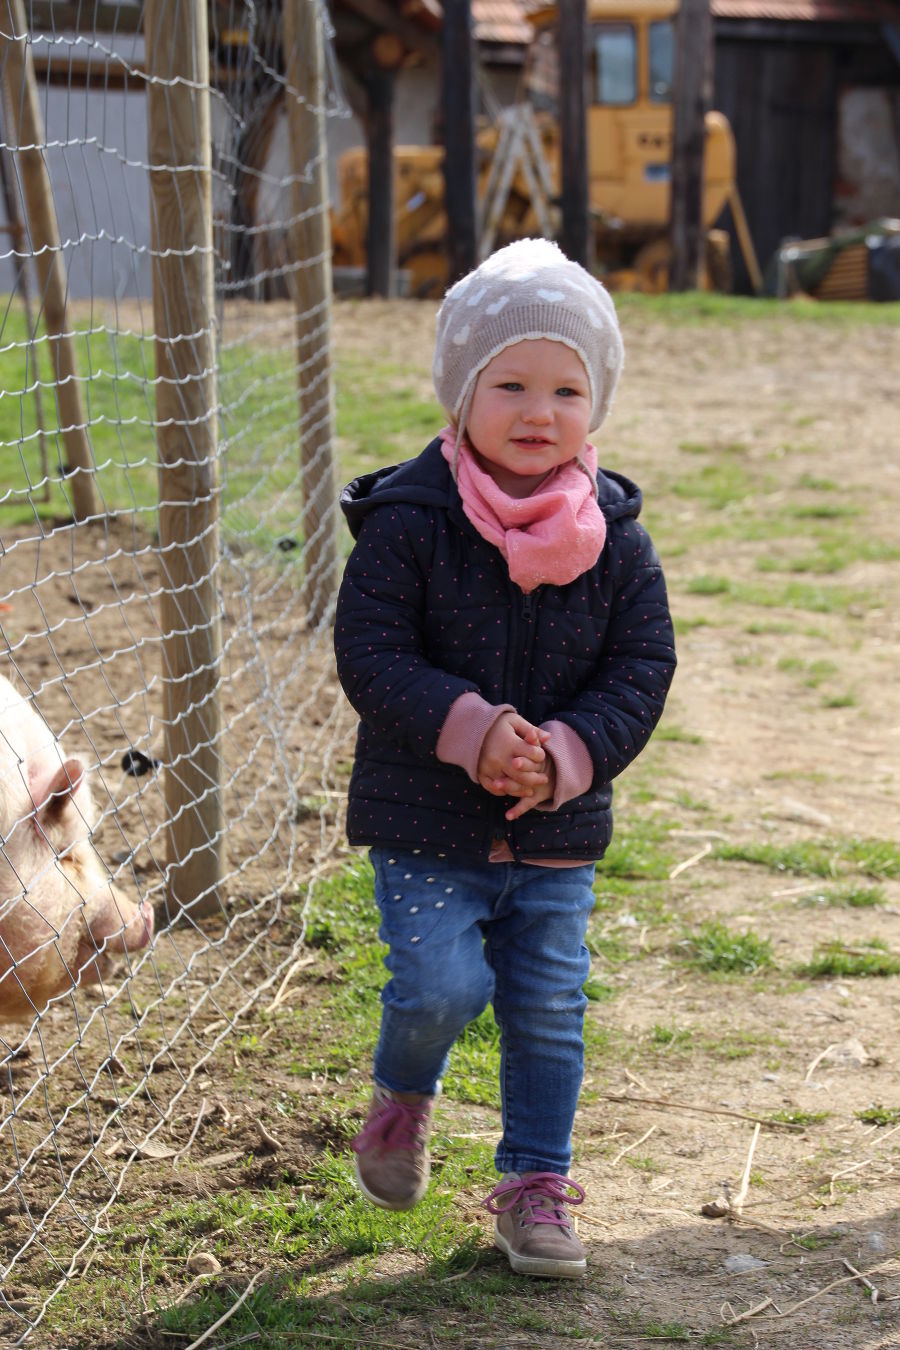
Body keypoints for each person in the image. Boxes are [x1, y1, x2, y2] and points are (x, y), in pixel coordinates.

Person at [333, 238, 676, 1279]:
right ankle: (403, 1096)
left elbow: (641, 666)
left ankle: (533, 1183)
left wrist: (567, 752)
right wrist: (472, 729)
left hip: (557, 825)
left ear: (598, 402)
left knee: (546, 1005)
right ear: (461, 392)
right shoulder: (408, 525)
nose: (540, 410)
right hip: (427, 819)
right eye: (511, 383)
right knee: (435, 987)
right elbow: (373, 652)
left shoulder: (614, 539)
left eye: (568, 387)